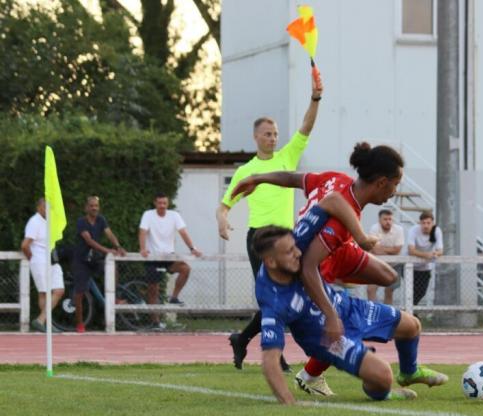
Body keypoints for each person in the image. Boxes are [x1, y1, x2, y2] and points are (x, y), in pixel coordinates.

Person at [231, 142, 404, 396]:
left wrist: (258, 177)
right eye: (395, 184)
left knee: (389, 276)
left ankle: (339, 328)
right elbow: (308, 265)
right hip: (321, 272)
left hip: (328, 256)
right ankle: (315, 369)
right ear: (381, 182)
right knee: (374, 367)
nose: (395, 192)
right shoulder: (283, 287)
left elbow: (295, 179)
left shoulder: (334, 183)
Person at [255, 211, 448, 404]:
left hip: (348, 308)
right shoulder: (273, 300)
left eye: (295, 247)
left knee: (412, 326)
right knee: (383, 376)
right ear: (271, 262)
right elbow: (270, 361)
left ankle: (409, 372)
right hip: (329, 339)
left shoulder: (297, 244)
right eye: (289, 252)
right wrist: (289, 403)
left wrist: (360, 236)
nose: (298, 253)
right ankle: (384, 392)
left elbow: (332, 201)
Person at [216, 72, 323, 373]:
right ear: (255, 137)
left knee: (286, 295)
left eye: (275, 133)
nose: (273, 138)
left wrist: (315, 98)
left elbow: (306, 126)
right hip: (260, 240)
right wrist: (222, 221)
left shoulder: (287, 158)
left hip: (288, 238)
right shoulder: (246, 171)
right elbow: (224, 206)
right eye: (267, 134)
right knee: (273, 295)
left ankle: (244, 339)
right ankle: (274, 351)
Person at [139, 193, 202, 330]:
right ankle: (155, 322)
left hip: (169, 257)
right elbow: (142, 232)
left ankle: (174, 297)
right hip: (153, 257)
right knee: (153, 290)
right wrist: (143, 248)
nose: (162, 206)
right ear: (155, 203)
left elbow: (183, 232)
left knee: (185, 269)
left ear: (167, 204)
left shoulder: (174, 216)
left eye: (164, 203)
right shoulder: (148, 215)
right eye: (159, 203)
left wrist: (192, 248)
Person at [72, 196, 126, 333]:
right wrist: (107, 250)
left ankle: (115, 297)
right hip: (81, 261)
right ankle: (79, 324)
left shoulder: (101, 220)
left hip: (95, 259)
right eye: (91, 206)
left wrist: (118, 246)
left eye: (96, 206)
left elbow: (110, 234)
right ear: (86, 208)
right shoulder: (81, 222)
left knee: (112, 268)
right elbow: (89, 241)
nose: (94, 208)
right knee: (79, 293)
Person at [21, 197, 64, 333]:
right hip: (39, 259)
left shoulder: (50, 221)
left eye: (48, 208)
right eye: (45, 207)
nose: (47, 210)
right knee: (44, 292)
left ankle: (41, 319)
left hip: (52, 259)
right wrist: (33, 258)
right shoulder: (34, 221)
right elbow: (25, 245)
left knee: (59, 290)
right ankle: (46, 323)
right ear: (38, 207)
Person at [366, 209, 404, 305]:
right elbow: (374, 249)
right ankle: (373, 312)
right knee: (370, 289)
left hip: (394, 265)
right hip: (377, 264)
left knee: (389, 291)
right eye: (385, 219)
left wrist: (382, 250)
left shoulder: (399, 230)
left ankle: (388, 315)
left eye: (390, 219)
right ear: (379, 220)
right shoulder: (374, 228)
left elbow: (397, 250)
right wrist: (391, 250)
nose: (388, 222)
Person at [407, 211, 443, 305]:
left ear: (433, 223)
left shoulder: (437, 231)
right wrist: (427, 255)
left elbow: (440, 250)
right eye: (423, 223)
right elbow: (411, 250)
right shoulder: (413, 230)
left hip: (425, 267)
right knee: (410, 292)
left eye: (428, 223)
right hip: (410, 266)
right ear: (420, 223)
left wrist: (436, 253)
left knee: (421, 292)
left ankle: (411, 311)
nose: (426, 225)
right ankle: (411, 313)